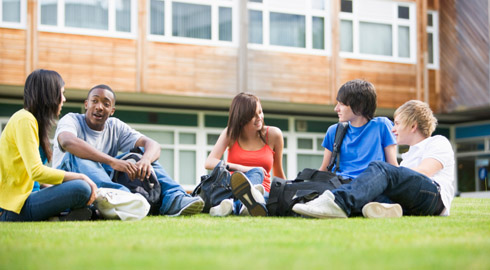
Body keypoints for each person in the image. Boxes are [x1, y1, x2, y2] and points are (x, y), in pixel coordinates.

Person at [52, 84, 203, 217]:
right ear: (86, 104)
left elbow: (153, 144)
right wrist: (112, 161)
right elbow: (67, 142)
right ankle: (123, 199)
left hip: (102, 182)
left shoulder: (115, 126)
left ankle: (175, 199)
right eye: (94, 101)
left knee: (144, 157)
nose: (99, 107)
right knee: (80, 155)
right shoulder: (71, 119)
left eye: (106, 104)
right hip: (68, 180)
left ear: (112, 110)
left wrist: (145, 160)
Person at [293, 100, 455, 218]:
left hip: (434, 197)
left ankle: (336, 202)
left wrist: (388, 175)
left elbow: (424, 173)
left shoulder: (438, 142)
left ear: (413, 126)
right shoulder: (408, 156)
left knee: (381, 168)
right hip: (415, 202)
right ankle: (385, 209)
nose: (393, 129)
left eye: (397, 124)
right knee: (370, 193)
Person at [0, 69, 97, 222]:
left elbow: (38, 181)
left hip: (32, 198)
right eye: (62, 93)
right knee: (81, 188)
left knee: (85, 194)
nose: (63, 99)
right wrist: (81, 177)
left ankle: (60, 216)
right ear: (49, 94)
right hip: (15, 207)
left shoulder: (35, 123)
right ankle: (60, 216)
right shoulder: (24, 119)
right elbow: (36, 172)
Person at [204, 92, 286, 217]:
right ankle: (245, 204)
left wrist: (286, 194)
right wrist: (243, 168)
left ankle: (235, 205)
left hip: (263, 192)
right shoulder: (230, 133)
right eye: (253, 115)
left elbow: (278, 172)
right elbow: (209, 162)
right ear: (241, 118)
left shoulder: (274, 135)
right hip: (233, 189)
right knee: (256, 171)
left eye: (260, 112)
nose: (259, 117)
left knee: (260, 187)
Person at [319, 79, 398, 179]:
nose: (336, 109)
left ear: (359, 105)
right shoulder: (334, 131)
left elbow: (393, 167)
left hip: (371, 186)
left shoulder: (382, 126)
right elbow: (324, 170)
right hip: (339, 187)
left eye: (342, 104)